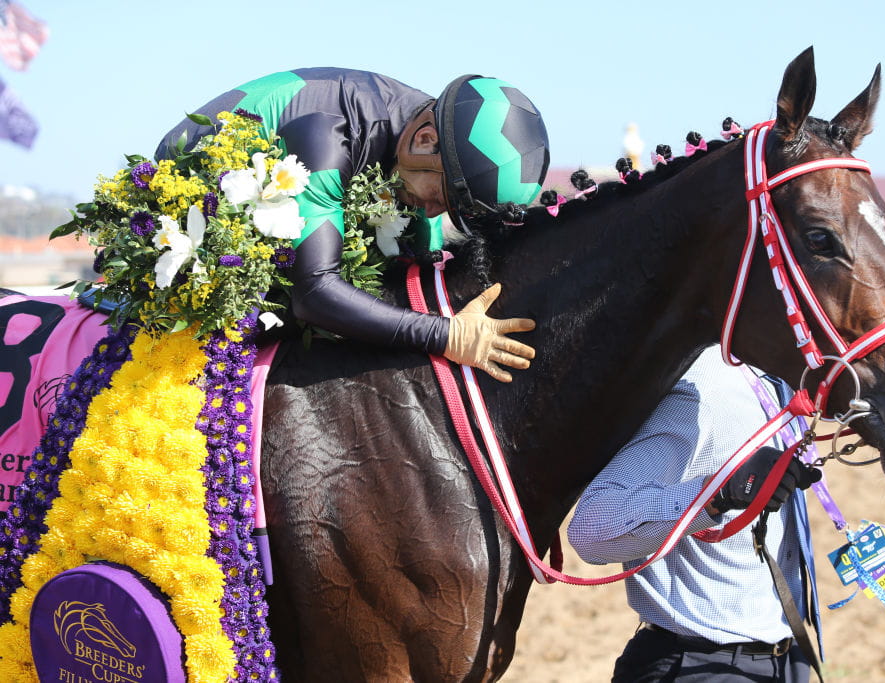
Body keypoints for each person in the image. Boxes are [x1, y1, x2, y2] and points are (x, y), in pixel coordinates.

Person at [154, 68, 550, 382]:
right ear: (425, 141)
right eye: (440, 198)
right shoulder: (328, 133)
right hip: (191, 212)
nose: (431, 213)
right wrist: (447, 336)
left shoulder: (420, 140)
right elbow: (314, 293)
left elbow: (422, 266)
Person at [567, 345, 823, 682]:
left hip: (786, 657)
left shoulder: (783, 381)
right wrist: (720, 493)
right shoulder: (703, 389)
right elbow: (591, 530)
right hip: (699, 665)